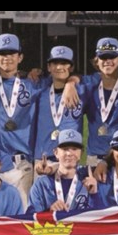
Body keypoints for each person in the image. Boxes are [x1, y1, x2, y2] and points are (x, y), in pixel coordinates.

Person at [0, 34, 62, 207]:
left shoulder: (34, 83)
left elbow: (64, 78)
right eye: (2, 53)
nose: (7, 57)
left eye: (12, 53)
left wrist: (70, 84)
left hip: (23, 165)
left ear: (20, 57)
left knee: (22, 221)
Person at [80, 38, 118, 170]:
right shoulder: (89, 87)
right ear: (97, 61)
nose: (107, 61)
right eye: (103, 57)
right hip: (94, 158)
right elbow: (70, 79)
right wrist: (70, 85)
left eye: (112, 57)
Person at [32, 47, 88, 177]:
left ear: (71, 67)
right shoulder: (40, 91)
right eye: (55, 63)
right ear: (48, 67)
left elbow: (98, 78)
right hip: (43, 160)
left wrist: (72, 82)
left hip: (70, 159)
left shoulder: (82, 91)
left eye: (64, 63)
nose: (59, 67)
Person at [29, 130, 102, 214]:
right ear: (56, 153)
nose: (69, 153)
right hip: (51, 227)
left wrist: (94, 195)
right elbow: (29, 217)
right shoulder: (41, 185)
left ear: (81, 153)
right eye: (65, 149)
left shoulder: (91, 182)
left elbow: (99, 220)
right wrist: (49, 213)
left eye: (74, 149)